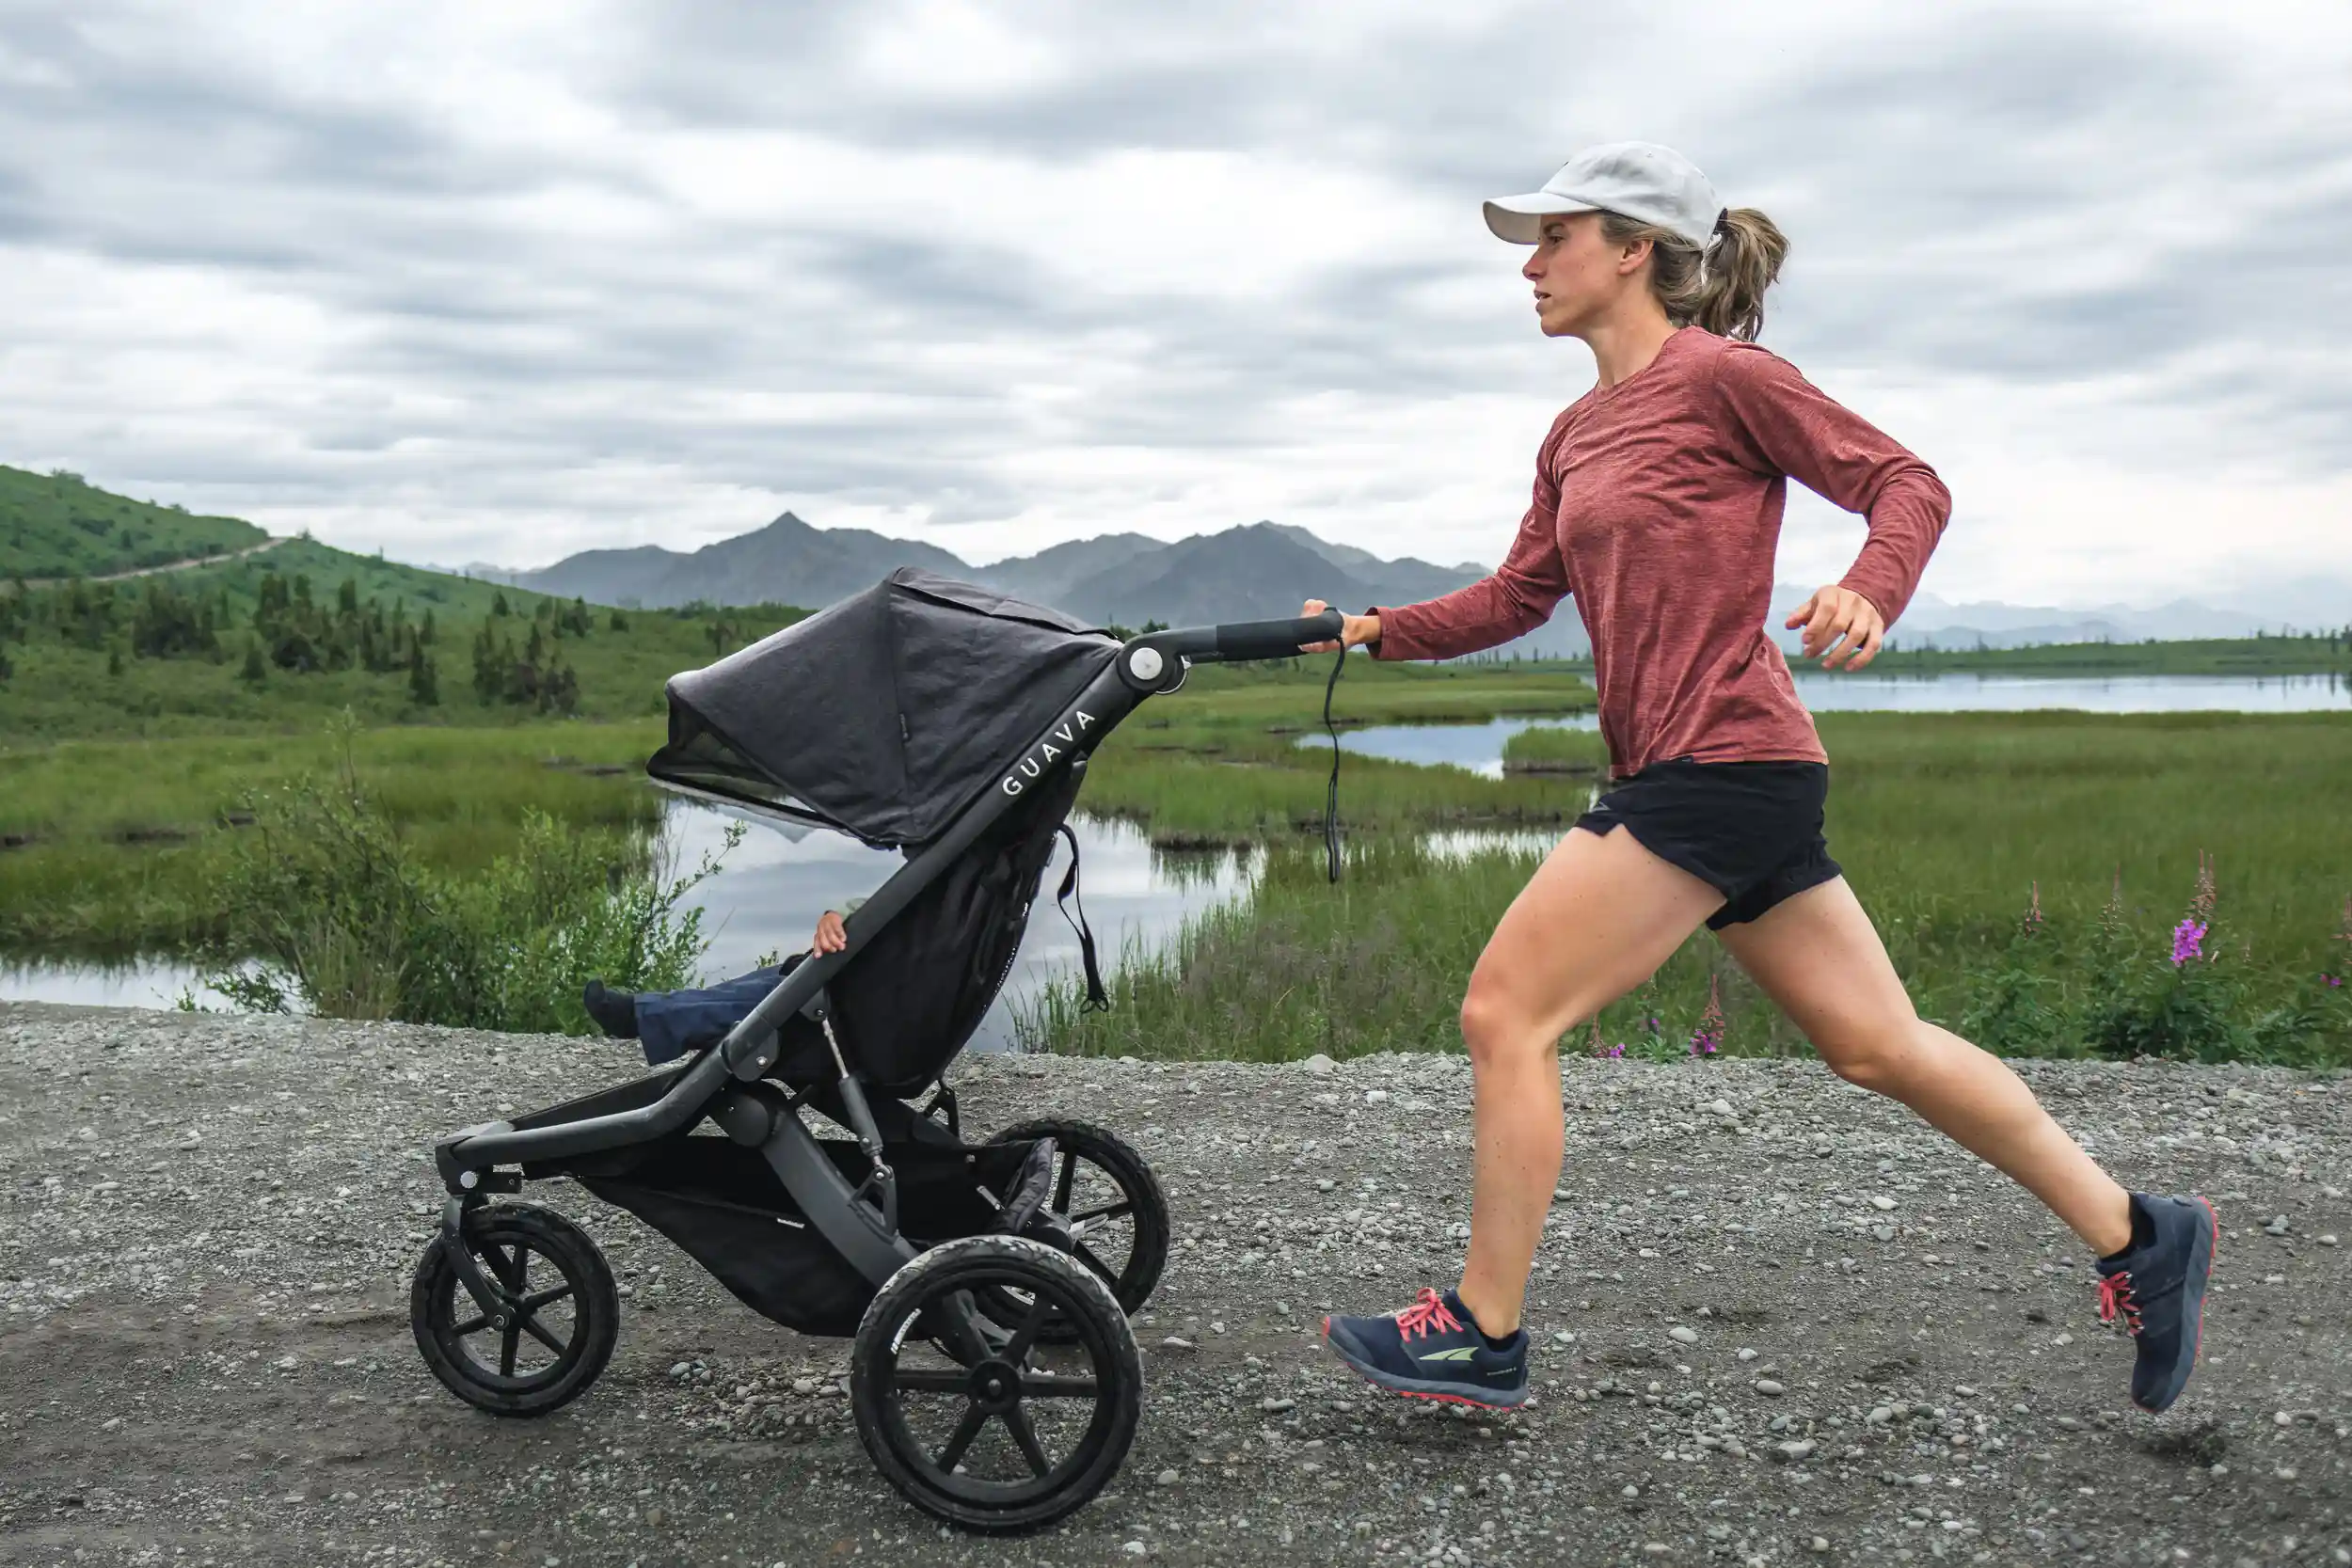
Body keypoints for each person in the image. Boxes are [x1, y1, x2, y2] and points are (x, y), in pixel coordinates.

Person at [1305, 142, 2215, 1417]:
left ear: (1634, 250)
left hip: (1720, 761)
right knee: (1877, 1044)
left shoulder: (1725, 378)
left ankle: (1482, 1327)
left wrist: (1868, 588)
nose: (1530, 262)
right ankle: (2140, 1231)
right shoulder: (1571, 434)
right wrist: (1374, 627)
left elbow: (1907, 481)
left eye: (1554, 237)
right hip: (1733, 770)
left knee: (1505, 1012)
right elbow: (1520, 595)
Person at [583, 901, 858, 1065]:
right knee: (753, 987)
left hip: (850, 1011)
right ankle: (647, 1012)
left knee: (765, 999)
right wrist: (837, 915)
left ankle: (641, 1015)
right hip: (843, 982)